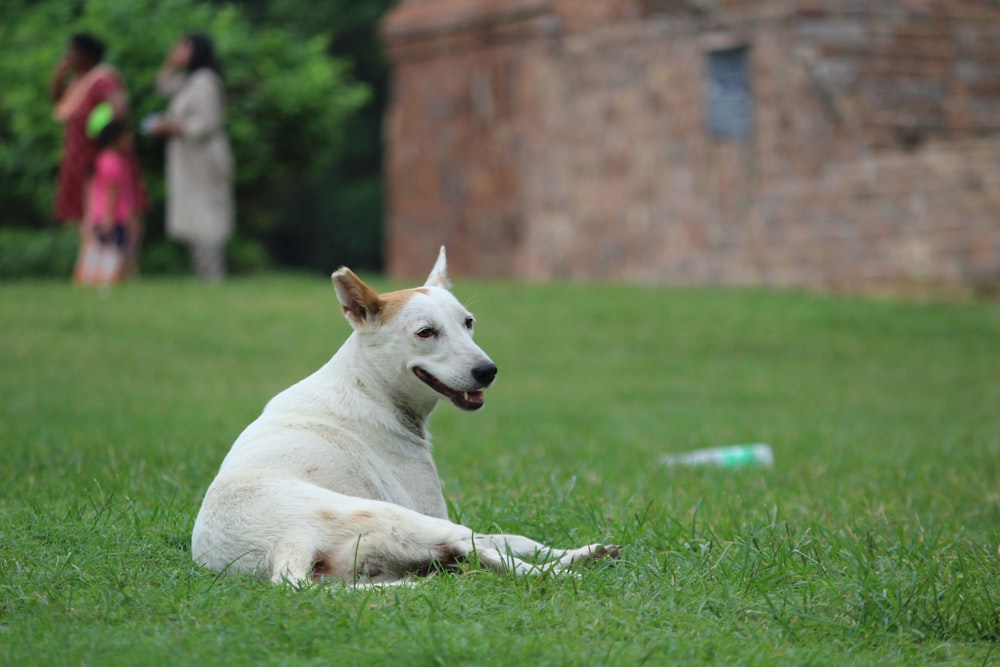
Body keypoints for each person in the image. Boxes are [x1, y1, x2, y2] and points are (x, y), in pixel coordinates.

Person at [150, 33, 234, 281]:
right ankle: (205, 276)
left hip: (204, 157)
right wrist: (171, 62)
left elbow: (206, 122)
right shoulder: (190, 80)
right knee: (194, 216)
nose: (177, 51)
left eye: (182, 48)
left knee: (207, 214)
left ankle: (213, 276)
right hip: (189, 159)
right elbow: (162, 85)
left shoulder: (205, 80)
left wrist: (171, 127)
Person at [51, 33, 148, 229]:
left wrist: (104, 141)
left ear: (85, 55)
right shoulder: (79, 81)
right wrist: (59, 75)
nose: (68, 56)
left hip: (96, 159)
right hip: (78, 158)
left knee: (107, 213)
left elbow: (119, 110)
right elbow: (60, 103)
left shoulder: (103, 78)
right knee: (86, 218)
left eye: (73, 52)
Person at [73, 118, 140, 287]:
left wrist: (90, 214)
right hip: (113, 217)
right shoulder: (114, 162)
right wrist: (109, 217)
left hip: (100, 215)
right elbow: (112, 191)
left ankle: (89, 279)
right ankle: (104, 280)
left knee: (98, 248)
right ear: (116, 138)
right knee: (112, 250)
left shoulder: (101, 159)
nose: (130, 139)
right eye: (127, 135)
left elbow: (90, 188)